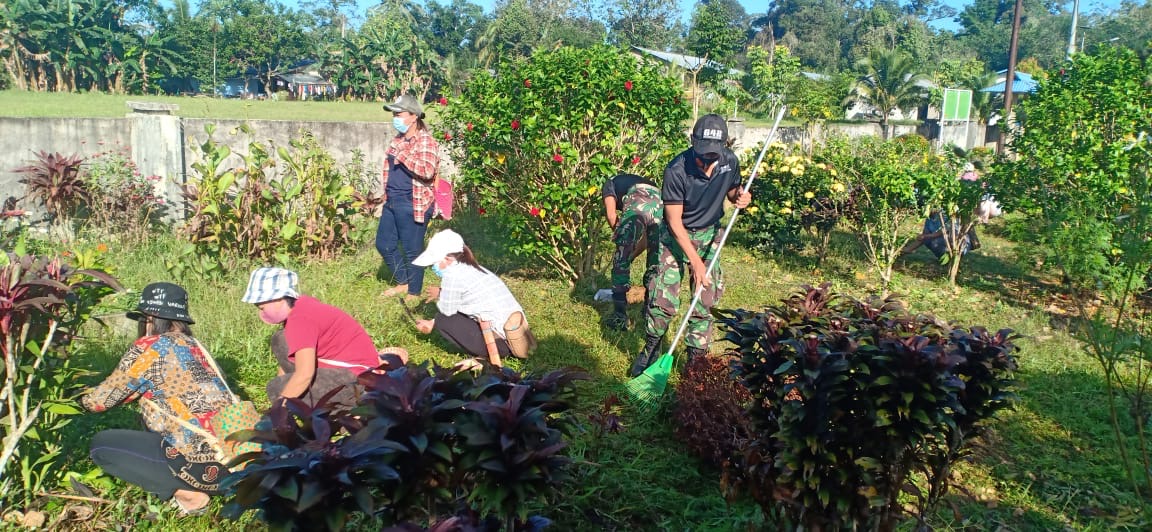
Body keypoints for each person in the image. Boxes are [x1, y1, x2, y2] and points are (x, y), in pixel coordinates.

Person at [83, 282, 234, 516]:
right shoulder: (197, 348)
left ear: (150, 318)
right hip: (233, 466)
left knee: (101, 445)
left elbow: (98, 402)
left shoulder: (151, 347)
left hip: (198, 470)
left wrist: (73, 395)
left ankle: (190, 496)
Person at [630, 114, 750, 377]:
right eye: (702, 156)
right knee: (663, 298)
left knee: (704, 298)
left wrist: (741, 197)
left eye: (713, 157)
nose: (707, 163)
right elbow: (673, 222)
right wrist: (695, 262)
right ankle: (652, 348)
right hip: (675, 237)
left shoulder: (729, 162)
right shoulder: (676, 170)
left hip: (709, 236)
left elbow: (732, 190)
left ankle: (696, 359)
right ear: (693, 143)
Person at [243, 267, 380, 410]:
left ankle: (349, 412)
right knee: (281, 341)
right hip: (350, 368)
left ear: (278, 298)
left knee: (276, 387)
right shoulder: (300, 307)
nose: (261, 313)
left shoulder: (301, 320)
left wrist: (277, 408)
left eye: (261, 307)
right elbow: (290, 359)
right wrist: (284, 383)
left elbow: (304, 375)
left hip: (360, 379)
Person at [410, 229, 536, 367]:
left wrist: (433, 321)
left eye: (435, 262)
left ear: (448, 258)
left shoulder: (453, 276)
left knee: (443, 320)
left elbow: (448, 310)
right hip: (518, 336)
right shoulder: (474, 268)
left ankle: (483, 357)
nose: (433, 267)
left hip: (502, 343)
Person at [377, 93, 442, 301]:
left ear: (414, 116)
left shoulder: (426, 141)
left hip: (413, 201)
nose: (396, 118)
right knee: (384, 244)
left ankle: (414, 291)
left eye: (399, 114)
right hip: (393, 200)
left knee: (413, 249)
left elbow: (427, 171)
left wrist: (403, 155)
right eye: (394, 114)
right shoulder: (398, 139)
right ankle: (403, 282)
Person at [602, 173, 664, 331]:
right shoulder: (632, 180)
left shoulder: (609, 183)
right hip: (659, 200)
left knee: (620, 259)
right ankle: (649, 311)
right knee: (655, 256)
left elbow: (611, 215)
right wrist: (632, 252)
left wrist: (622, 246)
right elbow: (644, 239)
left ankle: (619, 317)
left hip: (637, 198)